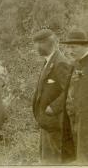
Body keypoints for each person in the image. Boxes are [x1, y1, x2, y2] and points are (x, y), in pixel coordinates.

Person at [32, 29, 75, 164]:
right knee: (46, 160)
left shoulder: (60, 63)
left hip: (56, 124)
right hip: (47, 124)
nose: (36, 47)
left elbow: (70, 91)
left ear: (48, 43)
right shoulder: (48, 62)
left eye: (39, 43)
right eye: (36, 43)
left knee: (55, 161)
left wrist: (53, 107)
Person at [60, 28, 88, 164]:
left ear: (85, 46)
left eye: (74, 47)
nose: (70, 51)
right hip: (74, 120)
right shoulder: (75, 65)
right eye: (68, 47)